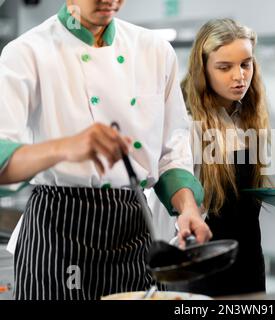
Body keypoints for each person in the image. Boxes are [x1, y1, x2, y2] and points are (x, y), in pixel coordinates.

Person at [0, 0, 211, 300]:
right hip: (58, 230)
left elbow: (170, 153)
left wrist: (188, 209)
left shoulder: (154, 51)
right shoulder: (27, 52)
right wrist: (64, 147)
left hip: (135, 228)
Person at [163, 18, 271, 296]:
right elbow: (171, 202)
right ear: (203, 70)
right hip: (201, 263)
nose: (239, 76)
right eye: (224, 68)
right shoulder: (185, 122)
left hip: (248, 262)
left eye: (246, 64)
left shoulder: (249, 116)